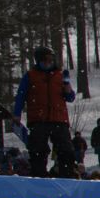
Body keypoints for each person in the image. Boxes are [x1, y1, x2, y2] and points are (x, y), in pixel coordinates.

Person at [12, 46, 77, 178]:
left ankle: (67, 177)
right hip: (38, 120)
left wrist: (67, 87)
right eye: (44, 61)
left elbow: (70, 97)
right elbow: (21, 95)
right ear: (38, 61)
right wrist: (17, 114)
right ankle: (39, 177)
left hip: (59, 119)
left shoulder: (60, 75)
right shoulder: (30, 76)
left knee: (66, 151)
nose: (48, 63)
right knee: (38, 151)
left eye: (50, 60)